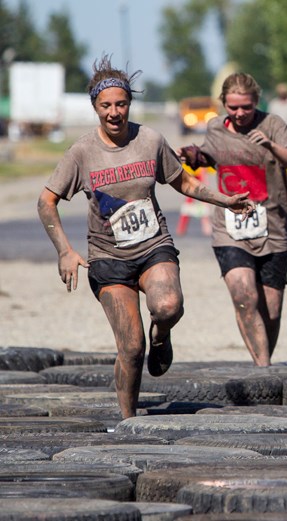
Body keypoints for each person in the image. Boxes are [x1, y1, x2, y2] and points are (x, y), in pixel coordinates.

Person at [37, 55, 255, 418]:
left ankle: (162, 334)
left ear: (129, 105)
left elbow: (182, 180)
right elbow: (46, 202)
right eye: (106, 105)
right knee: (132, 348)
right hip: (108, 259)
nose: (114, 112)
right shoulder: (81, 153)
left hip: (154, 246)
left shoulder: (150, 140)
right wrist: (64, 250)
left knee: (169, 307)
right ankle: (129, 422)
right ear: (95, 107)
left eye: (120, 103)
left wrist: (224, 200)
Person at [181, 73, 287, 367]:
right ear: (223, 103)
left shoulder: (273, 125)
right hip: (229, 227)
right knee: (244, 297)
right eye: (232, 107)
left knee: (270, 311)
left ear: (256, 103)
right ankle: (264, 371)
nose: (239, 114)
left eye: (245, 107)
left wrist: (271, 146)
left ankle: (263, 365)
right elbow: (210, 156)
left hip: (272, 226)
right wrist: (192, 156)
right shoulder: (215, 127)